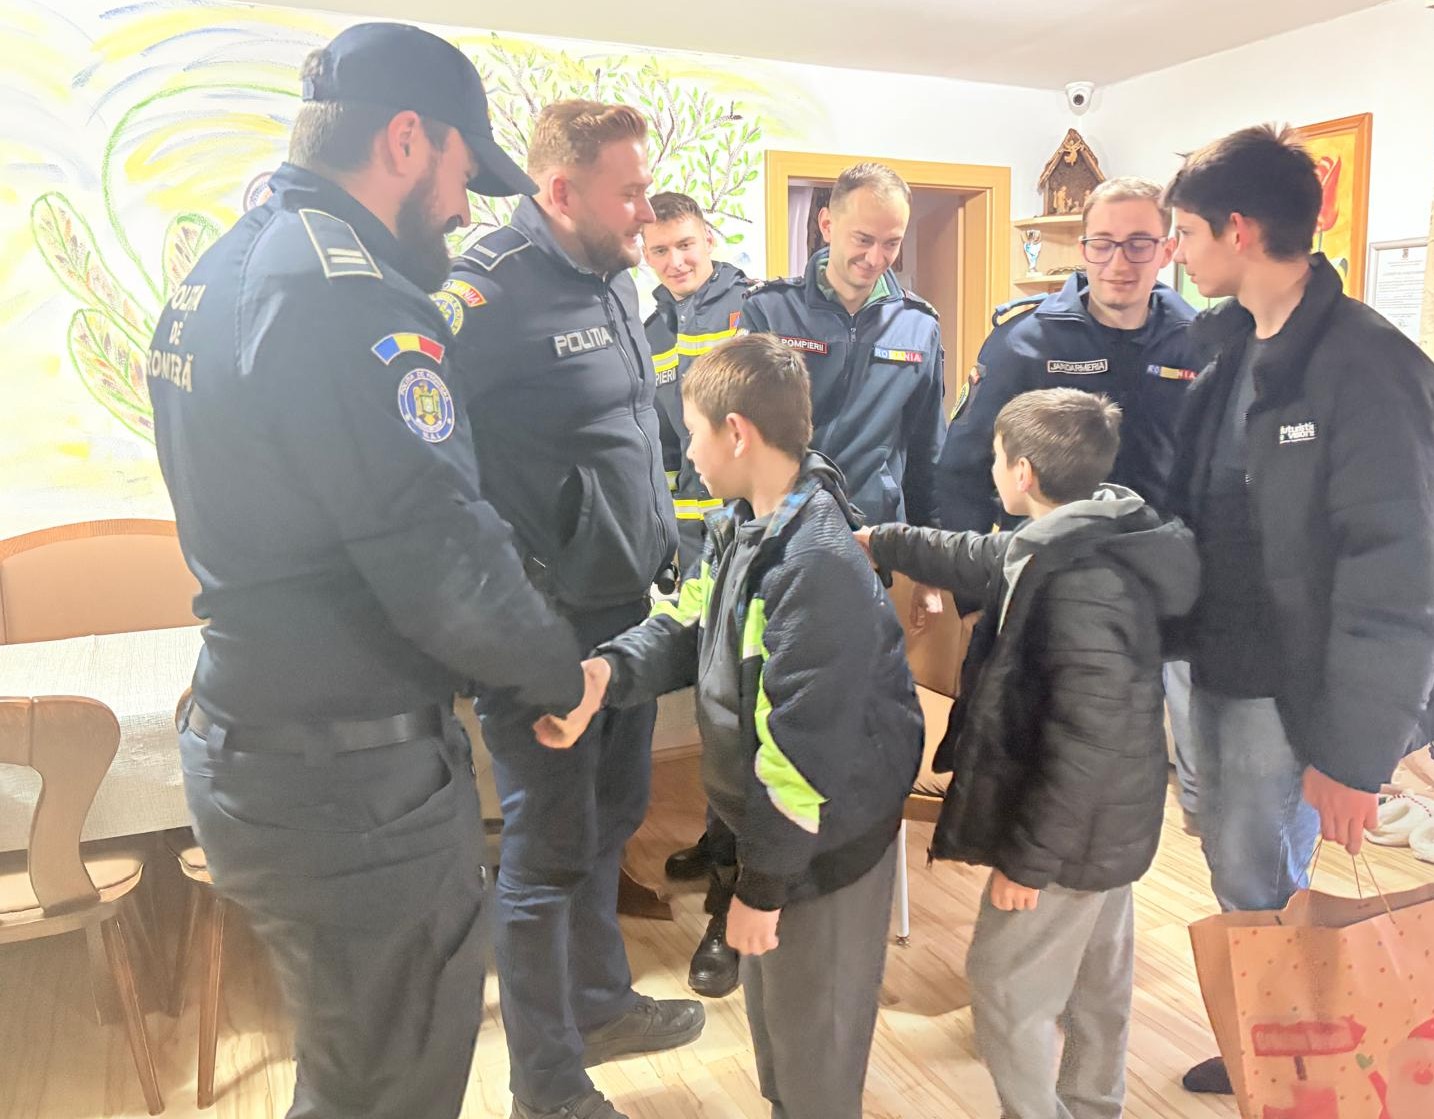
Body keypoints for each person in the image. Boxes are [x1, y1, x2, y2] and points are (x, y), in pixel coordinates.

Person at [147, 23, 593, 1118]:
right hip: (352, 792)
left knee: (349, 1070)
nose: (464, 211)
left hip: (253, 746)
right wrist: (556, 672)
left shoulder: (224, 267)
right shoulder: (349, 298)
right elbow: (440, 551)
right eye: (460, 176)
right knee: (393, 1084)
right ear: (405, 140)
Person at [537, 333, 924, 1119]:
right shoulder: (743, 523)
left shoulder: (815, 563)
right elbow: (689, 620)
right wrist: (603, 676)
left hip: (827, 846)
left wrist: (761, 887)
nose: (687, 453)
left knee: (816, 1055)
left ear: (737, 432)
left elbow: (802, 757)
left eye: (691, 433)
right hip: (773, 839)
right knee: (779, 1037)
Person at [442, 101, 701, 1119]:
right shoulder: (485, 291)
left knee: (609, 824)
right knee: (546, 854)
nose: (646, 210)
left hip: (623, 608)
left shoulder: (612, 277)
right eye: (628, 192)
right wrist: (510, 597)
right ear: (559, 190)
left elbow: (625, 433)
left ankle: (598, 1005)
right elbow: (431, 465)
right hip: (542, 629)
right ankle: (545, 1084)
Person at [1164, 123, 1434, 1094]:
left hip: (1291, 683)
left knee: (1258, 870)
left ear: (1238, 231)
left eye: (1185, 232)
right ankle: (1273, 1040)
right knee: (1240, 865)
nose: (1175, 252)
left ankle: (1296, 1062)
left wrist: (1356, 756)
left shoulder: (1368, 366)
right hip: (1218, 659)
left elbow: (1397, 574)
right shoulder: (1228, 345)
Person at [860, 387, 1198, 1119]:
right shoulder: (1079, 535)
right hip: (1107, 821)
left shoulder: (1082, 585)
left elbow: (1085, 743)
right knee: (1097, 981)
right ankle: (1092, 1105)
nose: (992, 471)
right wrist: (882, 540)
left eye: (995, 458)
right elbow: (980, 554)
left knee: (1004, 981)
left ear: (1022, 473)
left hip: (1071, 832)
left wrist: (1028, 862)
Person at [935, 175, 1207, 830]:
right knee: (1043, 774)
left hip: (1165, 594)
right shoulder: (1026, 341)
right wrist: (972, 600)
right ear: (1082, 248)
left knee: (1159, 784)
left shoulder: (1200, 341)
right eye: (1103, 244)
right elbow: (962, 470)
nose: (1119, 262)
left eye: (1139, 244)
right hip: (1051, 595)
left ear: (1168, 248)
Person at [640, 190, 755, 997]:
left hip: (748, 547)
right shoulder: (649, 330)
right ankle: (720, 844)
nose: (676, 261)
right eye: (659, 250)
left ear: (709, 238)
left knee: (741, 720)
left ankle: (731, 902)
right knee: (715, 714)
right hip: (689, 557)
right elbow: (654, 448)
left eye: (686, 244)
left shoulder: (754, 311)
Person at [738, 161, 945, 532]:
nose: (876, 258)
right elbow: (739, 435)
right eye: (863, 239)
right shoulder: (769, 311)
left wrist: (927, 548)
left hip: (876, 535)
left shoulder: (919, 326)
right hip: (783, 530)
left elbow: (927, 451)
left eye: (891, 243)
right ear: (827, 225)